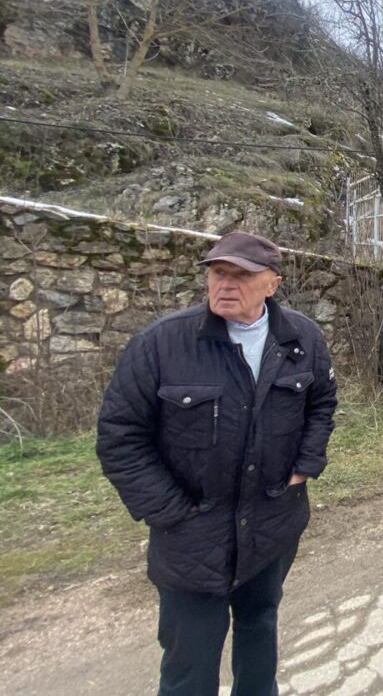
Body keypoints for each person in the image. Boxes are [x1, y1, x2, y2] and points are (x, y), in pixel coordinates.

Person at [96, 231, 338, 695]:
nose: (225, 284)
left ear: (272, 284)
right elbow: (120, 438)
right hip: (192, 536)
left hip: (273, 522)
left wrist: (307, 463)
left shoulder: (301, 337)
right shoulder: (163, 343)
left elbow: (321, 402)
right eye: (216, 273)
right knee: (190, 663)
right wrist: (171, 514)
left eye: (241, 275)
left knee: (259, 627)